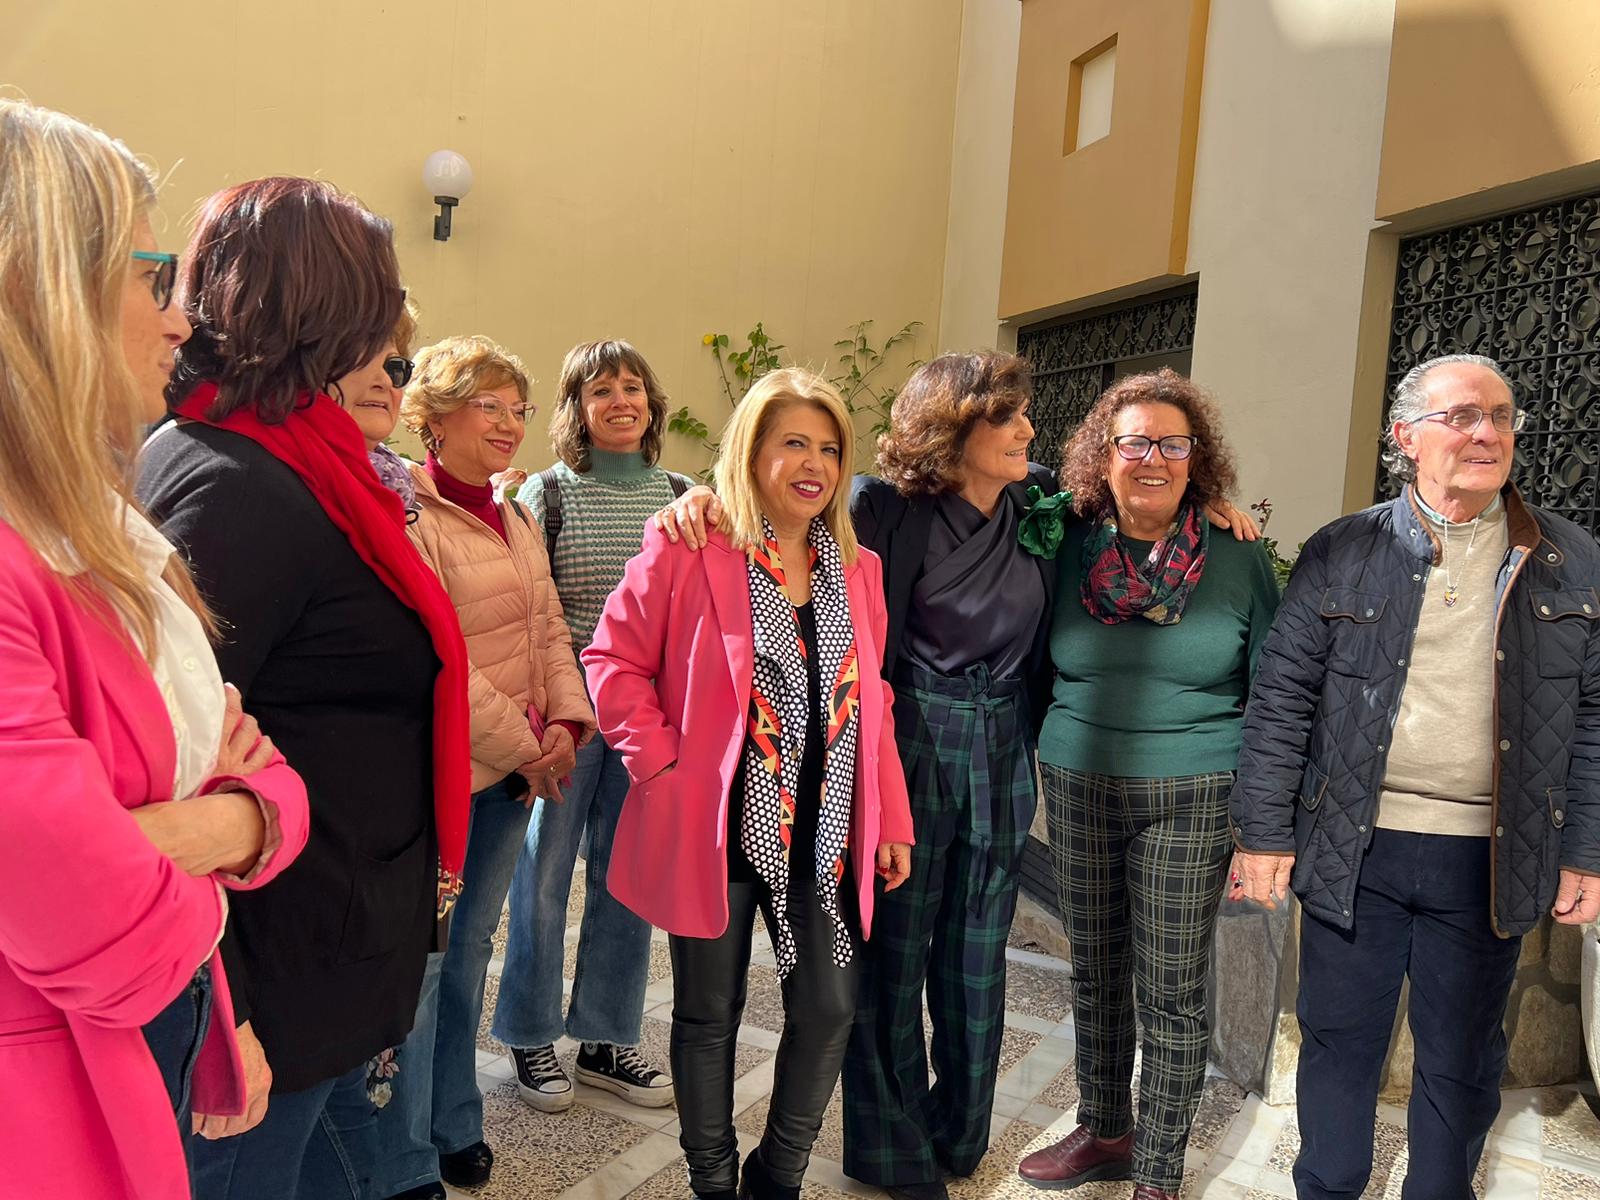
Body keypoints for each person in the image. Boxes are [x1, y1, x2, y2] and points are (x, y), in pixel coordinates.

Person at [657, 354, 1257, 1200]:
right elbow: (784, 515)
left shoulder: (1042, 501)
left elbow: (1139, 498)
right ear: (953, 427)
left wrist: (1211, 506)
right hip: (908, 741)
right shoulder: (882, 508)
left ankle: (960, 1131)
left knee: (980, 953)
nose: (1027, 431)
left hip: (1005, 740)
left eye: (1024, 417)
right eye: (1007, 417)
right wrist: (704, 500)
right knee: (895, 954)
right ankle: (892, 1148)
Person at [137, 176, 473, 1200]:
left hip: (330, 959)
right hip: (269, 995)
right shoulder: (236, 482)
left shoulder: (302, 464)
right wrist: (223, 1010)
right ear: (325, 308)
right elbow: (170, 767)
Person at [0, 101, 308, 1199]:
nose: (181, 322)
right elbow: (93, 924)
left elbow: (272, 782)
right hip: (49, 1094)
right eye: (152, 275)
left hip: (135, 1039)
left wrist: (197, 823)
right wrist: (220, 838)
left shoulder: (96, 527)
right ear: (40, 283)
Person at [1231, 353, 1600, 1199]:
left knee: (1465, 1053)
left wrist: (1587, 848)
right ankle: (1328, 1187)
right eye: (1463, 416)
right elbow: (1281, 700)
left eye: (1502, 416)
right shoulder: (1344, 550)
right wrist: (1264, 835)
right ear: (1406, 437)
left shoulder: (1570, 562)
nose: (1487, 433)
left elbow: (1593, 718)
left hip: (1490, 856)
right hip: (1357, 846)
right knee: (1338, 1039)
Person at [584, 368, 914, 1200]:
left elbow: (871, 702)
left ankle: (779, 1174)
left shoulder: (859, 569)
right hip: (720, 824)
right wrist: (659, 764)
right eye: (793, 443)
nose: (815, 464)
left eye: (830, 448)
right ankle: (713, 1182)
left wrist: (891, 818)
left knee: (831, 1006)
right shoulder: (693, 544)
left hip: (827, 827)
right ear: (753, 452)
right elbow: (612, 659)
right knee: (707, 1013)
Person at [1014, 369, 1279, 1200]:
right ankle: (1105, 1130)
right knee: (1094, 967)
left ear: (1195, 459)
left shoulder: (1237, 556)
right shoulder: (1065, 545)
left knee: (1168, 984)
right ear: (1105, 454)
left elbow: (1272, 689)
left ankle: (1158, 1173)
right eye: (1135, 441)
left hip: (1193, 792)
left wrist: (1265, 824)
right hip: (1080, 784)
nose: (1153, 458)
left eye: (1173, 443)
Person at [363, 335, 597, 1200]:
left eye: (518, 408)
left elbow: (547, 631)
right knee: (422, 967)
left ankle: (456, 1118)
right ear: (435, 413)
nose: (509, 424)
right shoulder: (410, 513)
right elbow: (441, 662)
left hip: (507, 785)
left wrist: (570, 718)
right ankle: (407, 1150)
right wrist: (529, 745)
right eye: (489, 406)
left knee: (468, 957)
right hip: (448, 784)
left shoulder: (516, 511)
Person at [490, 339, 683, 1113]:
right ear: (577, 409)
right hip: (568, 715)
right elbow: (529, 612)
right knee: (542, 877)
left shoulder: (682, 493)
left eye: (633, 387)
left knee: (628, 877)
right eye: (601, 390)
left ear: (651, 404)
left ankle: (607, 1036)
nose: (621, 401)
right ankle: (530, 1033)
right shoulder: (546, 493)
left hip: (647, 719)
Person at [333, 302, 420, 514]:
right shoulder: (296, 481)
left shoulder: (398, 486)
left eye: (394, 368)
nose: (385, 381)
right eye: (363, 362)